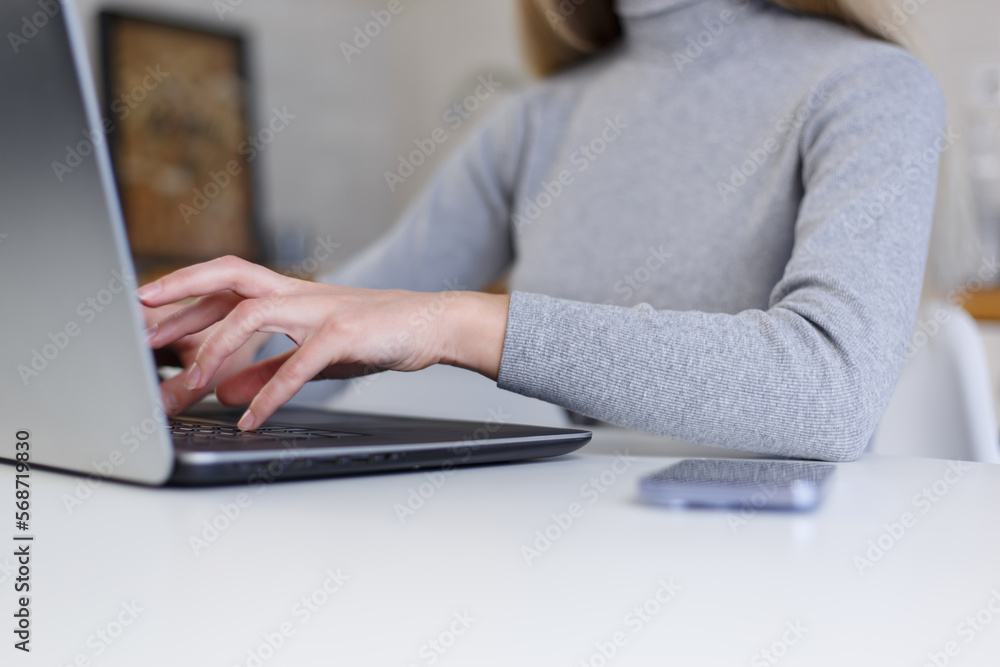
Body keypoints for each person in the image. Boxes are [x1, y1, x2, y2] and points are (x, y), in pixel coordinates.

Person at [139, 0, 954, 462]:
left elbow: (831, 394)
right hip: (569, 558)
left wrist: (461, 322)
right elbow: (332, 334)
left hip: (776, 577)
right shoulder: (533, 123)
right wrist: (190, 342)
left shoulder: (870, 87)